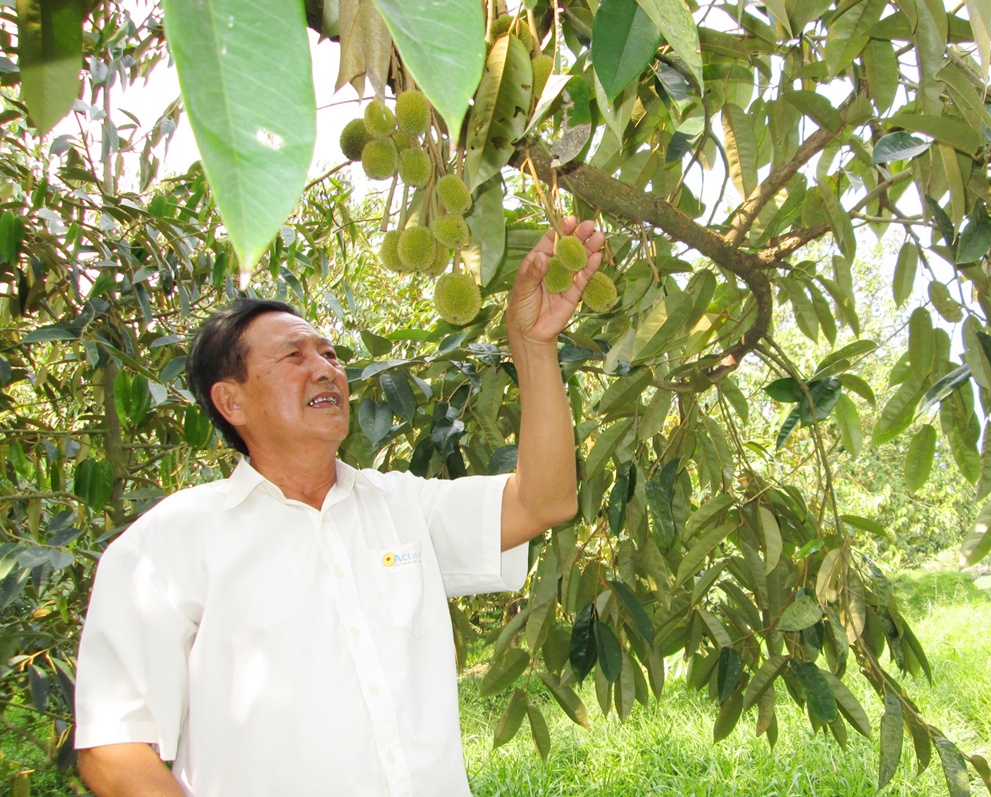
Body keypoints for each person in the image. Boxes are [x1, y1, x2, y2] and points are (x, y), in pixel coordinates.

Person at [73, 218, 605, 796]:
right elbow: (114, 749)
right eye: (292, 356)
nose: (326, 367)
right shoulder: (170, 544)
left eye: (329, 353)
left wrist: (532, 344)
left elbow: (545, 499)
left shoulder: (401, 507)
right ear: (232, 400)